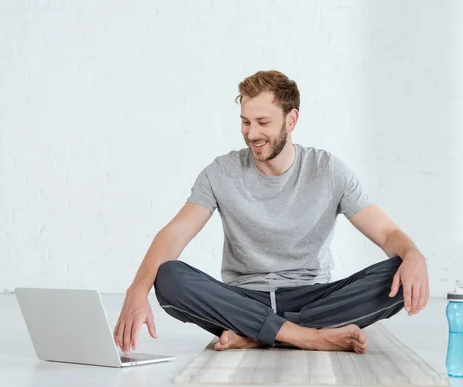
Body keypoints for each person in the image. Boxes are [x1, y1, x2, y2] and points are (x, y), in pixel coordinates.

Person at [114, 70, 429, 355]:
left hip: (313, 300)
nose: (251, 134)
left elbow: (387, 233)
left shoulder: (328, 170)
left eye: (263, 122)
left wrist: (415, 255)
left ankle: (259, 335)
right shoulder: (221, 172)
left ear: (291, 121)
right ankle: (308, 337)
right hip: (242, 301)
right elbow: (173, 235)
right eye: (245, 121)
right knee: (168, 277)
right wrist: (136, 290)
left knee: (399, 270)